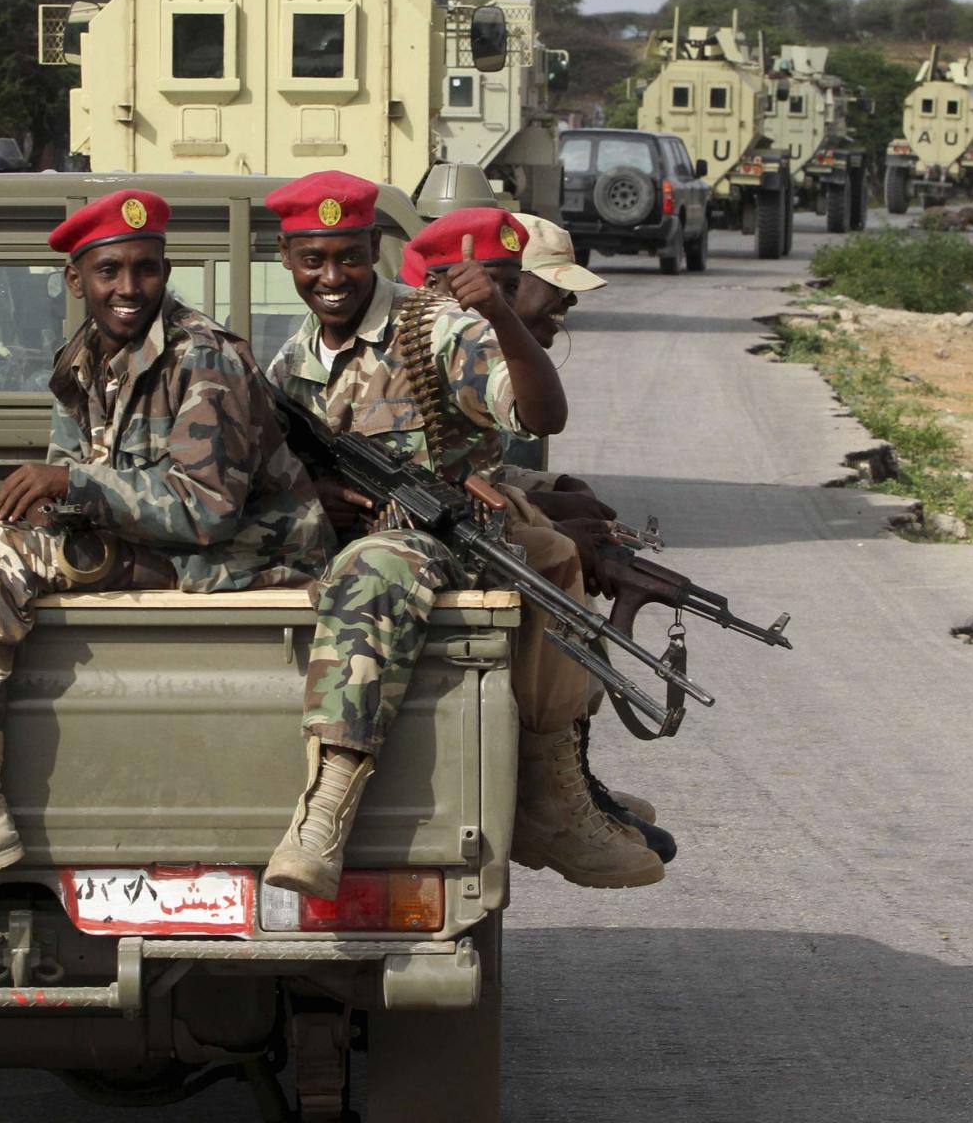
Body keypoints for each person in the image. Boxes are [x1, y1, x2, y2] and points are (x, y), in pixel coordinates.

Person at [0, 189, 333, 896]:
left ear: (166, 270)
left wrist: (71, 487)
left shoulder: (204, 359)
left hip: (242, 561)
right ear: (75, 279)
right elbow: (79, 481)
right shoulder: (83, 359)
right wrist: (47, 510)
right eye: (110, 271)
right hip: (164, 550)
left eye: (146, 269)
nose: (129, 288)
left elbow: (206, 512)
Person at [260, 172, 662, 899]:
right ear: (285, 259)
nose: (332, 276)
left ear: (375, 250)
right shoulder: (289, 369)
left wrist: (501, 319)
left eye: (349, 256)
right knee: (374, 556)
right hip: (349, 546)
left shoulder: (435, 326)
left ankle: (335, 814)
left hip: (444, 539)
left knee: (414, 560)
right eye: (313, 259)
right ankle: (336, 803)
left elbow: (540, 417)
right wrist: (312, 494)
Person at [404, 211, 670, 865]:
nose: (563, 308)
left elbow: (468, 464)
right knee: (552, 559)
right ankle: (550, 796)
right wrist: (548, 517)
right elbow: (437, 467)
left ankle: (564, 780)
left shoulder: (467, 336)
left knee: (569, 530)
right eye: (548, 289)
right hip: (418, 543)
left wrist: (553, 489)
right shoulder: (459, 338)